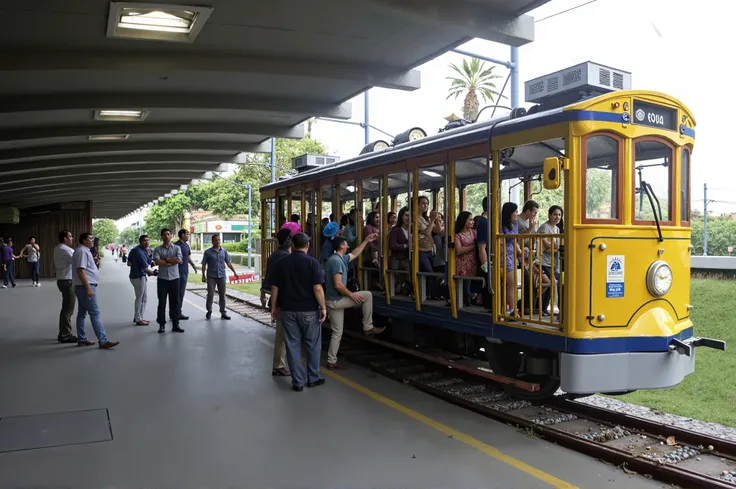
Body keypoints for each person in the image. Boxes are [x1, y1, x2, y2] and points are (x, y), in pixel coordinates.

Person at [270, 233, 326, 391]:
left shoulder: (282, 263)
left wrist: (274, 307)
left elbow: (275, 287)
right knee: (313, 345)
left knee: (292, 345)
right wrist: (323, 307)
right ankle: (313, 378)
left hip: (287, 311)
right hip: (309, 311)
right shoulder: (313, 263)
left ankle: (298, 382)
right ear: (307, 246)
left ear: (292, 245)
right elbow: (317, 288)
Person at [324, 234, 385, 370]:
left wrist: (366, 240)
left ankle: (331, 361)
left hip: (331, 301)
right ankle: (368, 327)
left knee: (337, 332)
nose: (348, 245)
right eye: (346, 243)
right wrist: (351, 295)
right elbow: (338, 285)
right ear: (341, 246)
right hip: (337, 300)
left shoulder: (336, 259)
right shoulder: (337, 262)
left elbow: (355, 253)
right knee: (367, 295)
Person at [72, 232, 119, 349]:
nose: (93, 241)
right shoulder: (82, 251)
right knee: (95, 313)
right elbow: (80, 271)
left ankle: (82, 339)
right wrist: (88, 288)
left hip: (83, 286)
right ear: (83, 240)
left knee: (82, 313)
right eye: (90, 239)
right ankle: (103, 340)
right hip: (85, 287)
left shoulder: (83, 250)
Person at [261, 228, 294, 377]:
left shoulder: (274, 255)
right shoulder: (286, 257)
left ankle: (279, 364)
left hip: (278, 299)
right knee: (283, 336)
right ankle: (279, 365)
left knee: (282, 335)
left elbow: (269, 280)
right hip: (284, 300)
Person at [153, 228, 184, 334]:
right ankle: (161, 325)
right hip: (162, 280)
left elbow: (179, 260)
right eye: (164, 234)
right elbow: (157, 261)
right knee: (162, 303)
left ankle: (176, 324)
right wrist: (171, 260)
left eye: (168, 234)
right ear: (161, 236)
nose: (166, 236)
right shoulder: (157, 249)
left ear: (171, 235)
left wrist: (165, 259)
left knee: (175, 302)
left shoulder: (177, 248)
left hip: (175, 279)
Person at [201, 234, 239, 320]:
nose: (217, 242)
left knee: (222, 295)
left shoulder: (224, 251)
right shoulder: (207, 252)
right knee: (210, 294)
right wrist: (203, 275)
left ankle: (223, 312)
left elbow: (228, 263)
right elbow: (203, 264)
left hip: (222, 276)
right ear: (212, 241)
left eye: (219, 240)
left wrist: (234, 272)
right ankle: (209, 310)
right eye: (215, 240)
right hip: (211, 276)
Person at [501, 202, 526, 316]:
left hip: (511, 255)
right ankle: (512, 309)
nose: (517, 213)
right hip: (504, 255)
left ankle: (512, 308)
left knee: (513, 283)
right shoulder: (501, 226)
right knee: (511, 284)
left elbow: (515, 242)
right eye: (515, 211)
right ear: (509, 213)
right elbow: (501, 242)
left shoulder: (513, 224)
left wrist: (521, 252)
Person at [539, 206, 563, 318]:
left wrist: (553, 247)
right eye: (554, 214)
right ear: (549, 215)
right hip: (543, 261)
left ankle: (559, 308)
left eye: (559, 215)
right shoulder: (545, 227)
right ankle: (542, 308)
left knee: (560, 282)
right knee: (552, 282)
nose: (557, 217)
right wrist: (553, 247)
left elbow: (553, 247)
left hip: (553, 262)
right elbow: (547, 246)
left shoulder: (557, 229)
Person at [53, 230, 77, 343]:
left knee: (66, 308)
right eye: (70, 236)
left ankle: (63, 333)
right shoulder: (64, 249)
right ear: (65, 238)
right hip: (67, 280)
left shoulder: (58, 248)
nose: (72, 238)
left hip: (63, 280)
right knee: (68, 309)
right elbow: (76, 261)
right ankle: (65, 334)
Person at [417, 196, 443, 300]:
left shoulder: (425, 219)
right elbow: (427, 232)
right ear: (417, 205)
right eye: (423, 203)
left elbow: (438, 231)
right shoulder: (415, 219)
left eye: (427, 203)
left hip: (430, 250)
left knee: (431, 274)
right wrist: (432, 220)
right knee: (429, 273)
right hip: (421, 250)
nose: (426, 206)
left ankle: (430, 295)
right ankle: (425, 295)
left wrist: (436, 220)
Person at [129, 234, 155, 326]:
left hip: (135, 276)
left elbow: (129, 263)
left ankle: (138, 316)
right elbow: (145, 267)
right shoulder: (139, 252)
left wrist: (150, 255)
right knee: (141, 298)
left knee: (143, 298)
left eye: (148, 240)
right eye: (144, 240)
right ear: (140, 241)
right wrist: (154, 273)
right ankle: (138, 318)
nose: (147, 242)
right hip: (139, 277)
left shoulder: (138, 250)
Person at [454, 211, 477, 307]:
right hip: (462, 262)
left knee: (469, 283)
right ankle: (466, 303)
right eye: (470, 220)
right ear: (464, 221)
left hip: (473, 262)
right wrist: (473, 247)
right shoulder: (458, 235)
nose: (473, 222)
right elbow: (459, 250)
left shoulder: (474, 233)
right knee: (464, 284)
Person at [174, 229, 198, 320]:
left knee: (181, 293)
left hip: (184, 272)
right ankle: (174, 313)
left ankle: (178, 312)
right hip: (176, 273)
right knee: (176, 294)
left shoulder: (186, 246)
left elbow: (187, 257)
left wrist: (193, 265)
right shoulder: (175, 246)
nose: (188, 235)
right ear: (182, 235)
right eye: (187, 234)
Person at [388, 207, 411, 295]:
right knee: (396, 278)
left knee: (409, 276)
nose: (408, 218)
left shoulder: (412, 229)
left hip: (407, 258)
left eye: (410, 216)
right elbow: (392, 245)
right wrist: (405, 246)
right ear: (401, 216)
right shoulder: (396, 229)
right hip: (397, 258)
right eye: (406, 215)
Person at [475, 196, 491, 308]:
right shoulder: (484, 222)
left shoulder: (487, 221)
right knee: (488, 279)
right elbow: (481, 246)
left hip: (489, 256)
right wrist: (485, 265)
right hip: (485, 257)